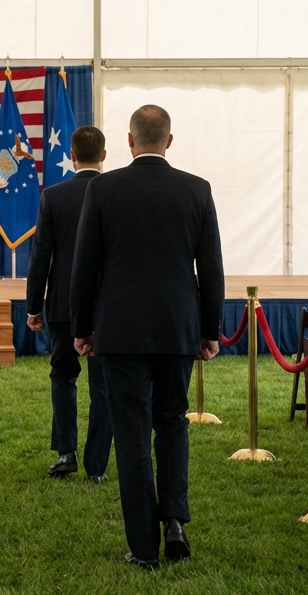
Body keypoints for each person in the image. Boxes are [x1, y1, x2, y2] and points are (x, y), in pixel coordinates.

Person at [70, 105, 223, 570]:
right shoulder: (197, 190)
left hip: (120, 330)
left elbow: (84, 267)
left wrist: (81, 329)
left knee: (133, 434)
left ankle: (143, 547)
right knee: (173, 421)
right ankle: (174, 519)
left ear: (131, 142)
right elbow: (211, 269)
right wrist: (209, 330)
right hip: (178, 328)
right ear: (170, 141)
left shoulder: (103, 189)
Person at [25, 126, 112, 482]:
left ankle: (66, 453)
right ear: (104, 155)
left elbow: (40, 255)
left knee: (63, 375)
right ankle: (97, 466)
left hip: (63, 304)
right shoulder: (115, 193)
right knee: (103, 385)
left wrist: (33, 306)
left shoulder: (54, 196)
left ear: (72, 156)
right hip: (106, 305)